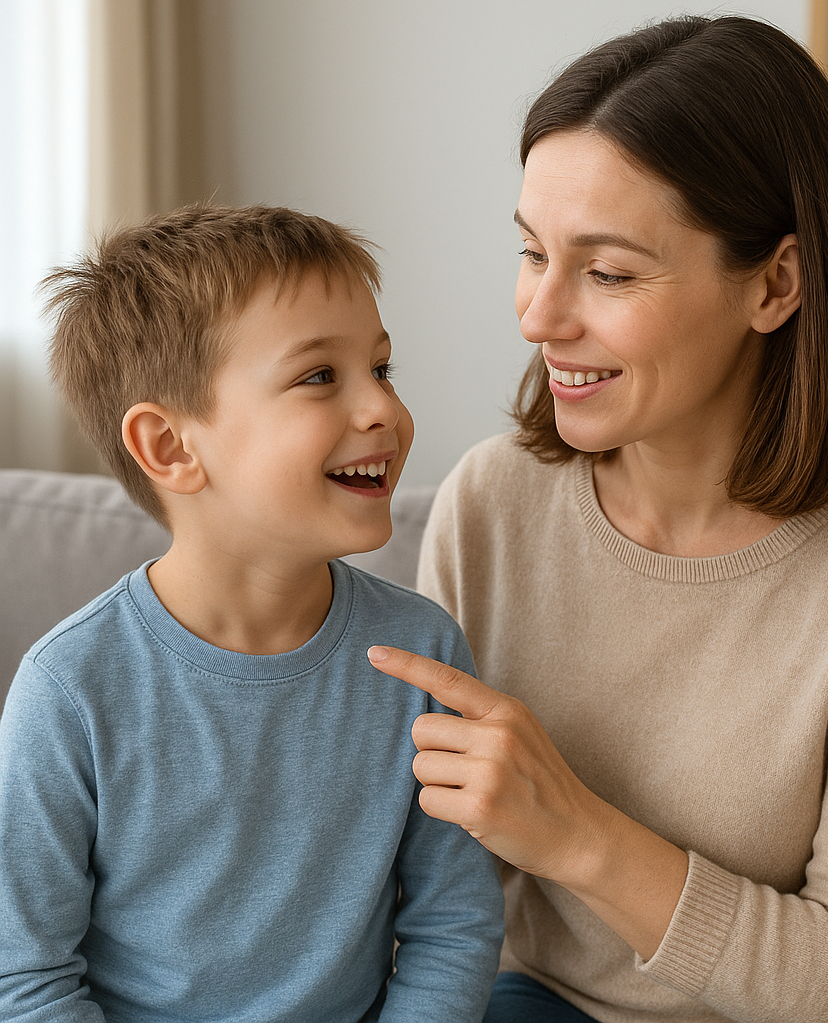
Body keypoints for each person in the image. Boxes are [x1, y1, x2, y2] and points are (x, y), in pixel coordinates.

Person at [366, 15, 828, 1023]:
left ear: (775, 283)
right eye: (532, 252)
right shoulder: (493, 501)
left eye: (609, 272)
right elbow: (435, 889)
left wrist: (575, 833)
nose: (538, 316)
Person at [0, 205, 503, 1022]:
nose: (382, 407)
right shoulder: (70, 688)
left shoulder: (422, 652)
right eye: (320, 376)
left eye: (382, 368)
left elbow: (453, 924)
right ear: (170, 447)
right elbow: (26, 979)